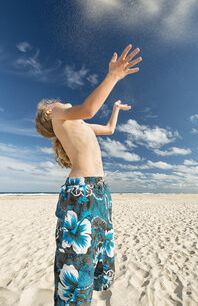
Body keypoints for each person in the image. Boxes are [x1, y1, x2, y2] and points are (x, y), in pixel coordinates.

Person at [35, 44, 142, 305]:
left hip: (98, 191)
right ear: (50, 111)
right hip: (81, 191)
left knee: (95, 251)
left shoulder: (78, 125)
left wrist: (115, 108)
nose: (58, 102)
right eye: (54, 103)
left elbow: (107, 128)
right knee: (76, 259)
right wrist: (113, 76)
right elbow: (89, 108)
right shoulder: (60, 115)